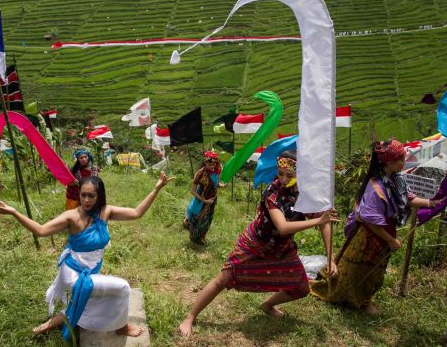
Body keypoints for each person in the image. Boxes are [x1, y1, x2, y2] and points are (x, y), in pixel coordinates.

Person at [177, 151, 339, 337]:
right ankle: (190, 317)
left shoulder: (308, 193)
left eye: (289, 175)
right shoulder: (273, 192)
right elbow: (283, 226)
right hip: (255, 242)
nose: (284, 179)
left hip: (282, 248)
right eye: (280, 173)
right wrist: (318, 221)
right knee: (224, 278)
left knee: (301, 288)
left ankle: (268, 305)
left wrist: (330, 258)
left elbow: (325, 222)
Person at [0, 172, 173, 341]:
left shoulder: (105, 211)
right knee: (123, 288)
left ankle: (42, 328)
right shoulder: (72, 216)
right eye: (83, 195)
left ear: (100, 196)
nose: (86, 200)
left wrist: (157, 188)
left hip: (89, 271)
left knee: (86, 303)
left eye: (91, 196)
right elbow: (41, 230)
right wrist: (14, 212)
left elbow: (136, 213)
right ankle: (121, 327)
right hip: (73, 275)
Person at [310, 139, 438, 314]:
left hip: (384, 229)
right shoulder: (375, 188)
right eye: (401, 159)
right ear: (389, 162)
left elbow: (410, 198)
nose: (404, 162)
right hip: (370, 235)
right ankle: (356, 300)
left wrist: (433, 204)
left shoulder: (397, 179)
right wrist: (391, 240)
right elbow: (369, 220)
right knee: (358, 270)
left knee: (375, 269)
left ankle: (361, 299)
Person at [183, 151, 224, 245]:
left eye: (214, 164)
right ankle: (194, 237)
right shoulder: (200, 173)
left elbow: (216, 184)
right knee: (197, 219)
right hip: (201, 200)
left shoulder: (216, 171)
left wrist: (221, 185)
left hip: (212, 200)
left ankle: (200, 236)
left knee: (208, 219)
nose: (212, 167)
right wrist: (204, 200)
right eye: (210, 165)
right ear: (205, 163)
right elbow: (192, 191)